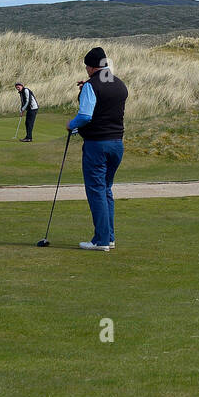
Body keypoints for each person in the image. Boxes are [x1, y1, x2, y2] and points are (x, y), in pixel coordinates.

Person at [68, 46, 128, 251]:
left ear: (91, 67)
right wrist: (87, 88)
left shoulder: (90, 86)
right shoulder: (119, 84)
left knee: (96, 191)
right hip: (117, 144)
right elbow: (105, 99)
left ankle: (101, 240)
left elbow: (85, 116)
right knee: (106, 189)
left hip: (97, 145)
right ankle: (109, 237)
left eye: (87, 66)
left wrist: (71, 124)